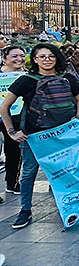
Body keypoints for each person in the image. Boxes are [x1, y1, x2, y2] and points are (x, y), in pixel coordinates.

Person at [1, 44, 79, 230]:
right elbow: (4, 107)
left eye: (51, 56)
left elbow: (78, 100)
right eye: (42, 56)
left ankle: (68, 206)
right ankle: (25, 210)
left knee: (66, 171)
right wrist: (12, 132)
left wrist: (75, 122)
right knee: (29, 173)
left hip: (62, 135)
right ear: (35, 60)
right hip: (34, 136)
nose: (47, 60)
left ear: (57, 58)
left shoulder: (67, 78)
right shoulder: (26, 80)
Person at [0, 45, 26, 195]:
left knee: (14, 152)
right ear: (4, 59)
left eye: (22, 56)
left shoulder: (27, 76)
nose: (19, 59)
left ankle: (12, 183)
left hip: (16, 118)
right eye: (14, 56)